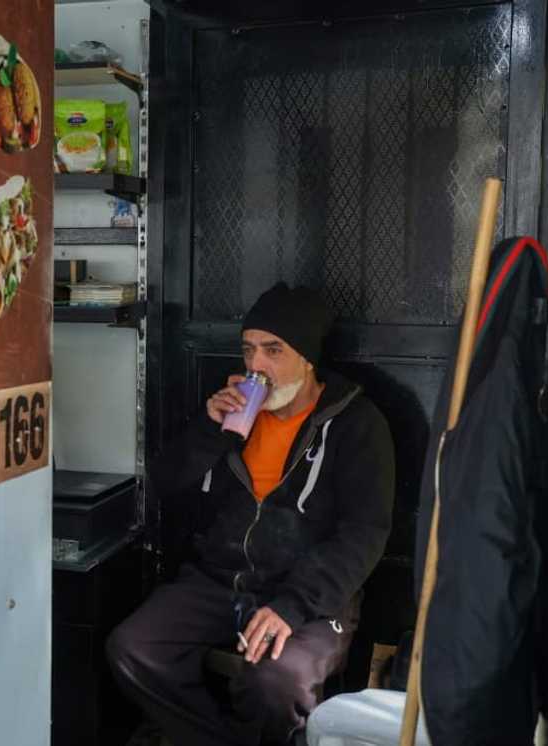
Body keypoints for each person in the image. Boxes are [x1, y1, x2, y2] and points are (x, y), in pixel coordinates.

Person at [106, 283, 395, 746]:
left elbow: (364, 534)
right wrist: (208, 431)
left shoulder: (357, 425)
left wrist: (292, 606)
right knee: (134, 648)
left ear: (307, 358)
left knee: (278, 682)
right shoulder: (233, 415)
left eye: (273, 350)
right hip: (220, 581)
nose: (255, 365)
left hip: (310, 597)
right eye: (249, 350)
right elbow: (165, 484)